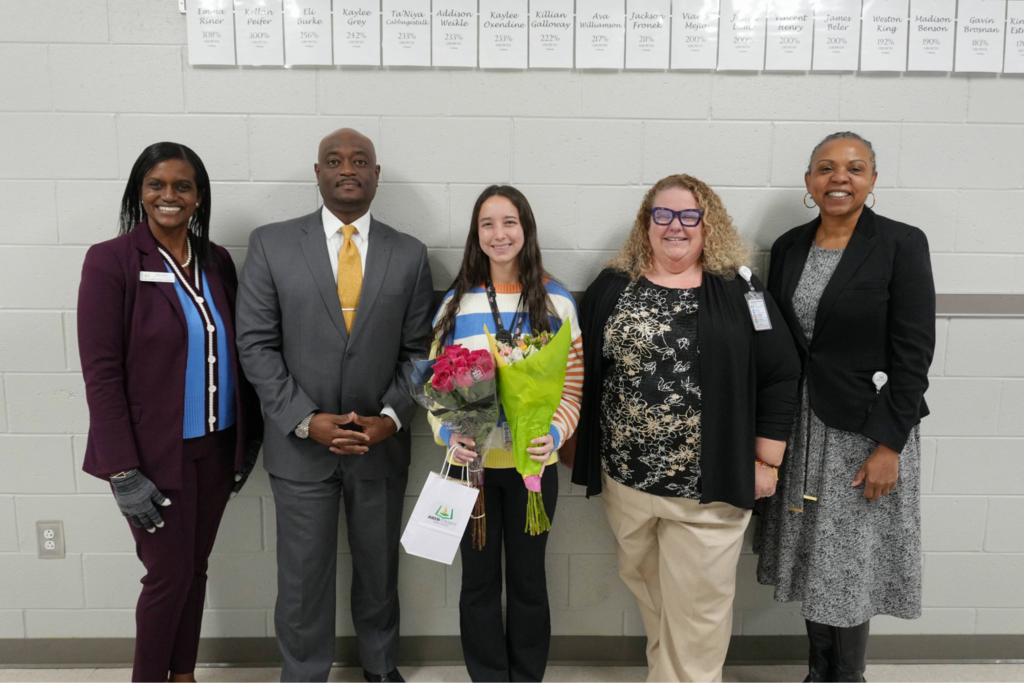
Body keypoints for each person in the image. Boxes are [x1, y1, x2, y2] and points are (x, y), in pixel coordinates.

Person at [572, 174, 801, 683]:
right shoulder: (614, 285)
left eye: (688, 216)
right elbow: (585, 371)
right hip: (627, 484)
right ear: (646, 224)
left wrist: (767, 460)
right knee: (654, 598)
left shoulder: (739, 289)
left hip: (709, 491)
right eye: (663, 215)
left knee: (697, 615)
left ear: (707, 224)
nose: (675, 226)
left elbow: (782, 373)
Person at [235, 128, 433, 683]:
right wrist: (305, 419)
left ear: (376, 175)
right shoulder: (272, 244)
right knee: (302, 578)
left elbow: (420, 353)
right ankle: (303, 673)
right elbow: (254, 343)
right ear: (317, 173)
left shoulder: (410, 254)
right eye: (334, 160)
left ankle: (379, 666)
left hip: (379, 448)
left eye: (360, 160)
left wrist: (391, 418)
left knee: (379, 572)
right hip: (299, 450)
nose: (347, 168)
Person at [77, 142, 264, 683]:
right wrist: (121, 469)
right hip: (151, 456)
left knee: (194, 568)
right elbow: (102, 373)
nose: (169, 196)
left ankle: (183, 674)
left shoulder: (217, 260)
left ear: (199, 198)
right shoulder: (111, 261)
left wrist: (247, 440)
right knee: (168, 574)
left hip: (214, 446)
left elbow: (239, 350)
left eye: (182, 186)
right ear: (140, 192)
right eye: (157, 185)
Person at [754, 132, 935, 683]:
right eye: (826, 168)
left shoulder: (901, 244)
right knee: (812, 551)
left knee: (849, 561)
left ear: (873, 181)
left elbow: (914, 353)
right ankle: (819, 671)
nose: (840, 178)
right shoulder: (788, 247)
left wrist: (889, 444)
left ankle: (849, 677)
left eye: (855, 168)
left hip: (865, 429)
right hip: (800, 426)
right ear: (809, 182)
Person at [429, 185, 583, 683]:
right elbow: (434, 384)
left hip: (531, 469)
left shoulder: (556, 301)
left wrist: (555, 435)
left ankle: (527, 676)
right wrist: (448, 434)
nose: (500, 234)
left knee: (528, 582)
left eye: (509, 222)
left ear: (526, 228)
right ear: (476, 235)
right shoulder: (455, 304)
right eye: (488, 224)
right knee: (476, 584)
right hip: (470, 471)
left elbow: (573, 383)